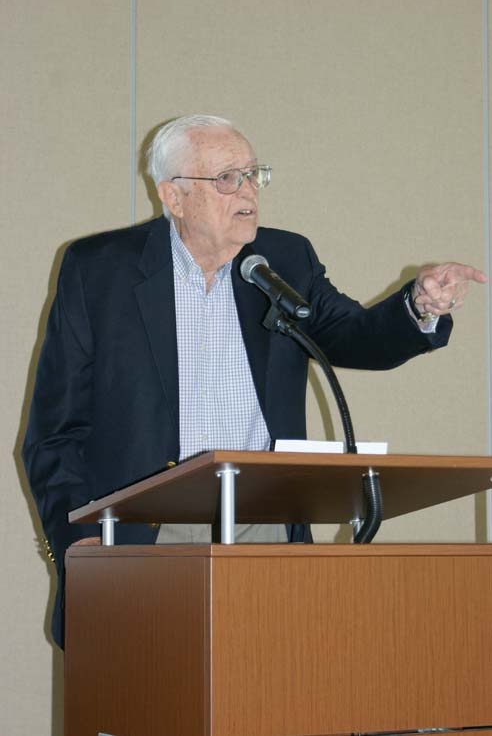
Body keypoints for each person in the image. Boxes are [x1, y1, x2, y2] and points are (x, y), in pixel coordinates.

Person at [22, 114, 486, 647]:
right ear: (173, 196)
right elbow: (54, 433)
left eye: (252, 175)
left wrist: (418, 307)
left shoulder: (283, 260)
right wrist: (83, 549)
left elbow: (354, 336)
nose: (247, 192)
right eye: (226, 179)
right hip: (144, 532)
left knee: (272, 696)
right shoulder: (100, 269)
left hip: (266, 526)